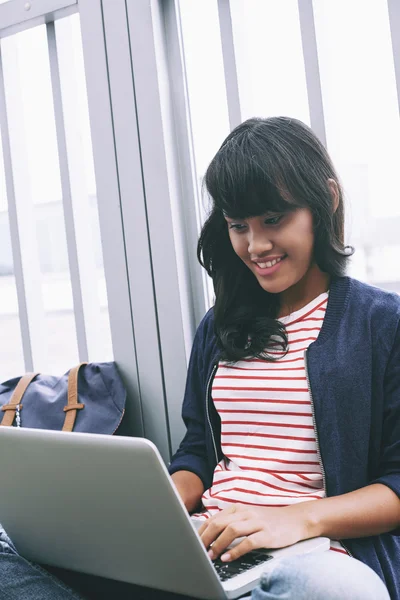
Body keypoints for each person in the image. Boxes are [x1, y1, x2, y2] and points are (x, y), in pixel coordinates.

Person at [0, 116, 397, 599]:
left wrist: (295, 520)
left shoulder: (380, 323)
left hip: (312, 554)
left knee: (338, 592)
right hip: (206, 546)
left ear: (325, 201)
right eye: (238, 226)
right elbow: (198, 453)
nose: (256, 246)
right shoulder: (222, 324)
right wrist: (156, 509)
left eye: (273, 219)